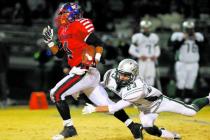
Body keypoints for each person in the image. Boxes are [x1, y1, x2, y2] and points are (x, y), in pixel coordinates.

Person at [42, 2, 142, 140]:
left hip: (83, 70)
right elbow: (60, 54)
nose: (61, 16)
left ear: (73, 14)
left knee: (56, 94)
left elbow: (97, 42)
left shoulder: (80, 24)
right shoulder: (62, 30)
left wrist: (96, 58)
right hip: (82, 73)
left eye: (63, 13)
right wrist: (49, 42)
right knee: (107, 106)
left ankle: (69, 127)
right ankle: (134, 126)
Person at [82, 59, 210, 140]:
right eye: (120, 73)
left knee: (191, 112)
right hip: (144, 108)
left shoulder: (137, 87)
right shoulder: (111, 75)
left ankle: (208, 97)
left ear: (133, 75)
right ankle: (171, 136)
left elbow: (114, 108)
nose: (122, 77)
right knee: (148, 128)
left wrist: (94, 108)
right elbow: (102, 84)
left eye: (126, 75)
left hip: (159, 102)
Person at [170, 20, 204, 103]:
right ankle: (178, 97)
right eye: (187, 29)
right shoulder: (178, 35)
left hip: (194, 63)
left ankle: (188, 98)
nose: (189, 31)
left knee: (190, 82)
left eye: (191, 29)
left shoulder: (198, 36)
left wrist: (195, 39)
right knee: (181, 81)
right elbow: (173, 47)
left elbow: (203, 47)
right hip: (182, 62)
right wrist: (183, 39)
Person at [129, 20, 160, 86]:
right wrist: (140, 56)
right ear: (142, 28)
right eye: (145, 28)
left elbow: (157, 49)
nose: (146, 29)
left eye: (148, 28)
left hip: (151, 61)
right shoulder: (137, 37)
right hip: (142, 61)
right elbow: (131, 50)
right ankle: (140, 95)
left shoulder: (154, 37)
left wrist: (155, 55)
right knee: (139, 79)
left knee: (150, 79)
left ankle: (149, 95)